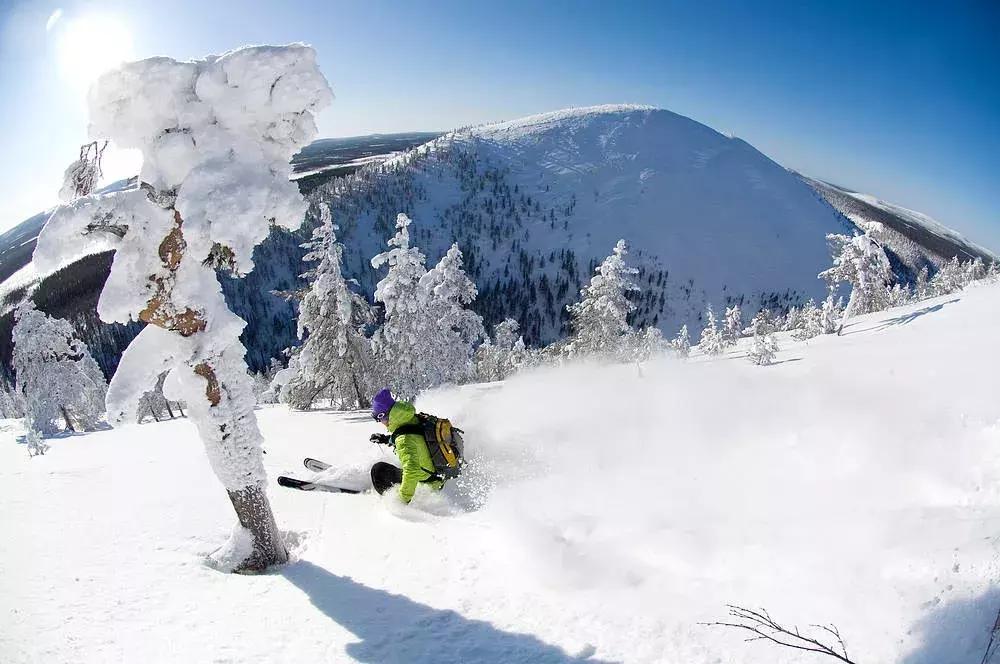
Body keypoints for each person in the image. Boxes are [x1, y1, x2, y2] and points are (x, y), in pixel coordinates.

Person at [369, 388, 446, 503]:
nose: (381, 422)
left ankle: (388, 496)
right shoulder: (411, 418)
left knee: (378, 470)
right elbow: (414, 434)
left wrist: (401, 501)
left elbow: (411, 471)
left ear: (384, 415)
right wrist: (386, 439)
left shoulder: (403, 439)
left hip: (427, 484)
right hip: (437, 476)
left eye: (379, 419)